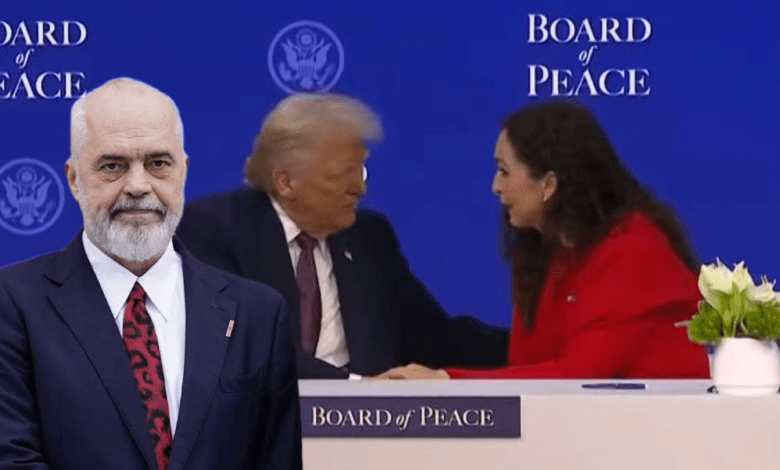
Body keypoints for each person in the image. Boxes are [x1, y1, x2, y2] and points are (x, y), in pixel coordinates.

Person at [0, 78, 302, 469]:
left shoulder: (257, 315)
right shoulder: (13, 304)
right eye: (113, 166)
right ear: (74, 179)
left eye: (158, 164)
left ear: (183, 172)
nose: (138, 186)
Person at [176, 93, 508, 379]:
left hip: (363, 425)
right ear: (286, 182)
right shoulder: (215, 230)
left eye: (360, 171)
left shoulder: (369, 237)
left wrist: (526, 351)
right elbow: (239, 348)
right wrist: (356, 389)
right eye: (342, 175)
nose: (359, 188)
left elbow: (432, 335)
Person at [377, 100, 710, 380]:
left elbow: (580, 376)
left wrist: (447, 381)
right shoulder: (551, 250)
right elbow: (528, 367)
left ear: (549, 185)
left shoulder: (632, 249)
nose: (495, 186)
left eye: (504, 171)